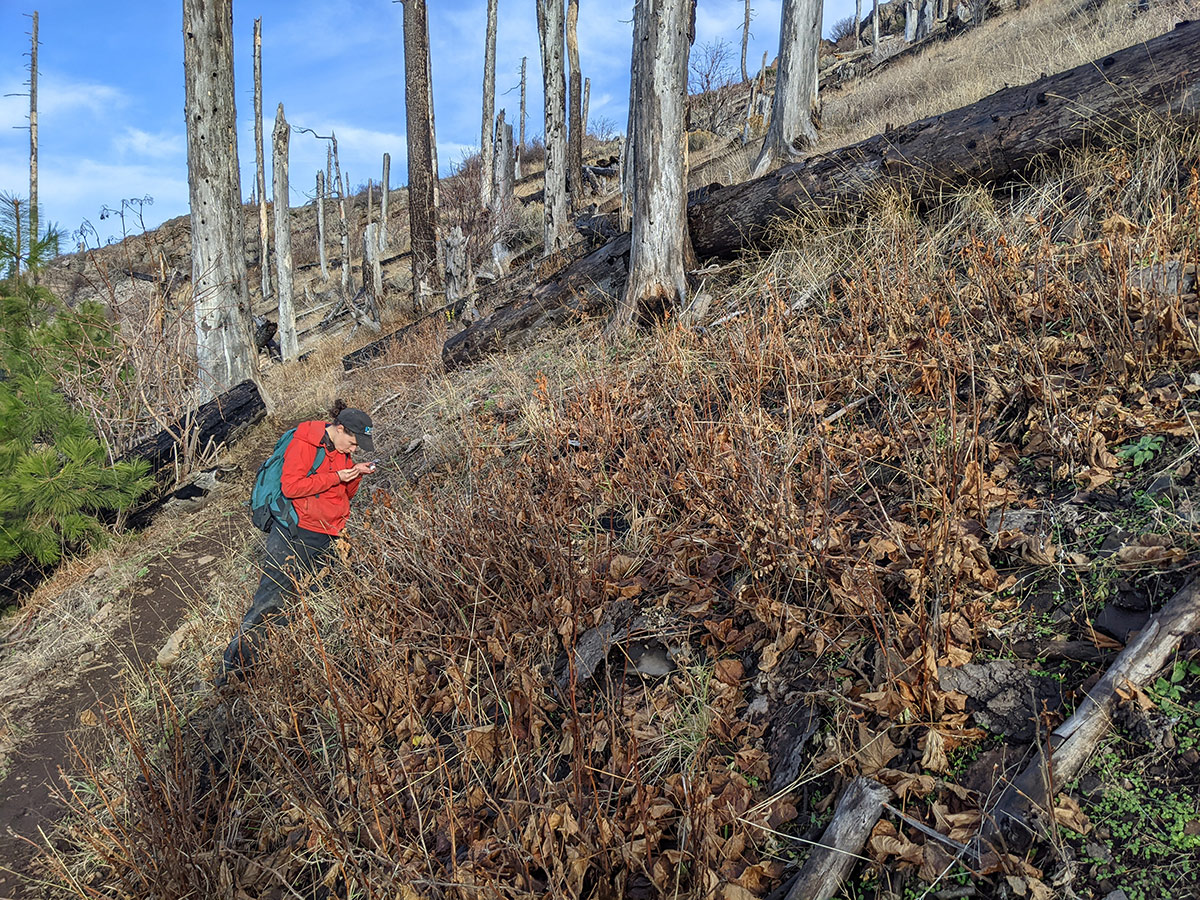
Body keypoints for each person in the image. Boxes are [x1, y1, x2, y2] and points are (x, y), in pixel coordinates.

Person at [220, 401, 377, 680]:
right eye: (353, 443)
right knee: (269, 602)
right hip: (295, 532)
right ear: (339, 429)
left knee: (315, 598)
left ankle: (288, 664)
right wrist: (336, 476)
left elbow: (342, 494)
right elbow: (291, 487)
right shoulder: (304, 442)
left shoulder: (341, 450)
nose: (354, 449)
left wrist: (355, 475)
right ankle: (231, 673)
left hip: (326, 533)